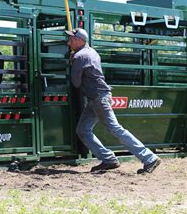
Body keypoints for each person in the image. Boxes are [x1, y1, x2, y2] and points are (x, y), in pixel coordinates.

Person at [66, 28, 162, 173]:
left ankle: (149, 158)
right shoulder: (91, 52)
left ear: (80, 40)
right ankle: (108, 159)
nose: (68, 43)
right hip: (98, 97)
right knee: (83, 130)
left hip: (98, 98)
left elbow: (76, 83)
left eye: (71, 40)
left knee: (115, 129)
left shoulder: (79, 56)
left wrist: (71, 63)